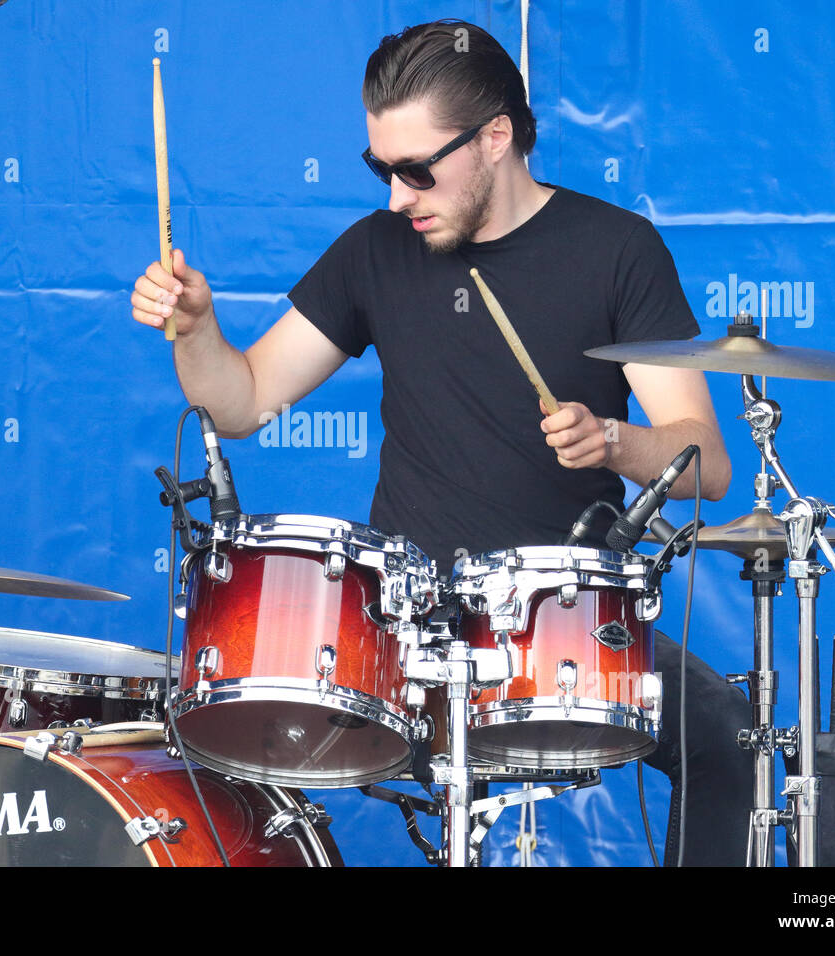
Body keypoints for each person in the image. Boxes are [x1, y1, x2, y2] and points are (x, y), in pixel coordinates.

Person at [132, 20, 751, 866]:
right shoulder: (376, 251)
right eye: (379, 169)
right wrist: (195, 331)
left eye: (417, 170)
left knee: (729, 740)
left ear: (495, 138)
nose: (396, 196)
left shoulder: (617, 251)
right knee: (228, 722)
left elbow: (703, 465)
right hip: (403, 623)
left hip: (561, 625)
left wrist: (614, 441)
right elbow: (241, 402)